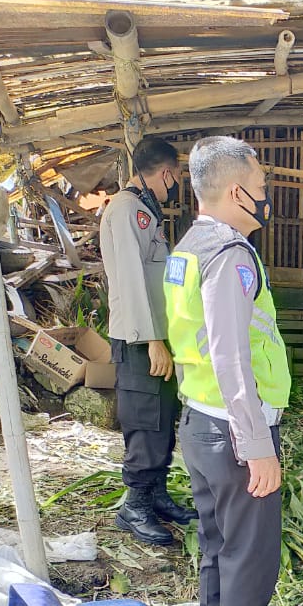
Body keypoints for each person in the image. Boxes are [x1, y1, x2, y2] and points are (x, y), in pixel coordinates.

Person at [164, 136, 300, 606]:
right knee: (251, 558)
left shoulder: (188, 248)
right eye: (263, 186)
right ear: (238, 190)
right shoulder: (231, 256)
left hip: (198, 423)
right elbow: (231, 357)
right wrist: (257, 444)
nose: (267, 196)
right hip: (232, 434)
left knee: (219, 550)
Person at [99, 136, 197, 545]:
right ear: (167, 172)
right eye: (175, 176)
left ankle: (155, 494)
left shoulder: (144, 209)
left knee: (161, 419)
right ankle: (134, 506)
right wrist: (154, 339)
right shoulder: (126, 210)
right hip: (141, 338)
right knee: (145, 423)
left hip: (156, 335)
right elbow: (131, 279)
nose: (175, 184)